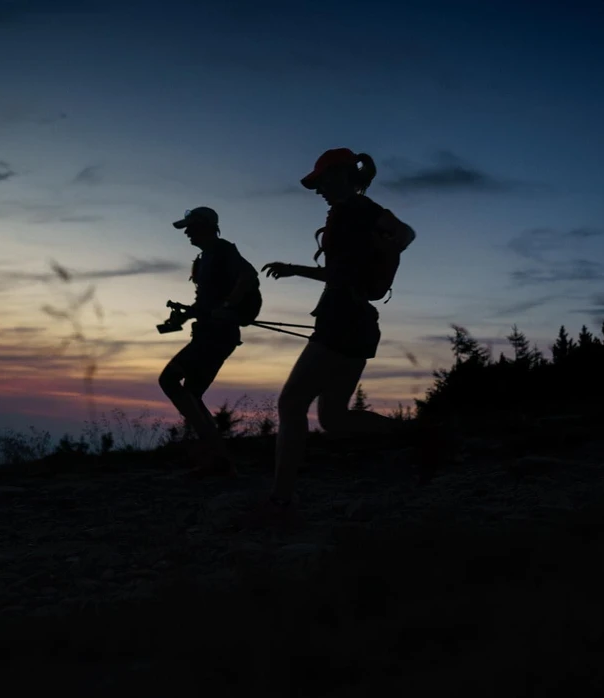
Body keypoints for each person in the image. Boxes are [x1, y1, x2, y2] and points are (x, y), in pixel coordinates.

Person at [257, 148, 416, 520]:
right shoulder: (360, 213)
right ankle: (417, 436)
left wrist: (297, 269)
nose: (317, 191)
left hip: (342, 319)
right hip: (358, 321)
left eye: (321, 182)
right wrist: (297, 269)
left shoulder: (353, 213)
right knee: (334, 419)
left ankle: (280, 501)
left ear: (342, 176)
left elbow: (354, 267)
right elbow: (350, 271)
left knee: (292, 404)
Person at [159, 206, 260, 476]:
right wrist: (181, 319)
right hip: (208, 332)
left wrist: (228, 306)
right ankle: (218, 459)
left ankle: (218, 458)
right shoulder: (203, 259)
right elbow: (204, 302)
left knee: (169, 380)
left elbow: (249, 277)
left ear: (206, 226)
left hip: (218, 335)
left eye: (191, 227)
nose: (187, 233)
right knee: (191, 394)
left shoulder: (224, 251)